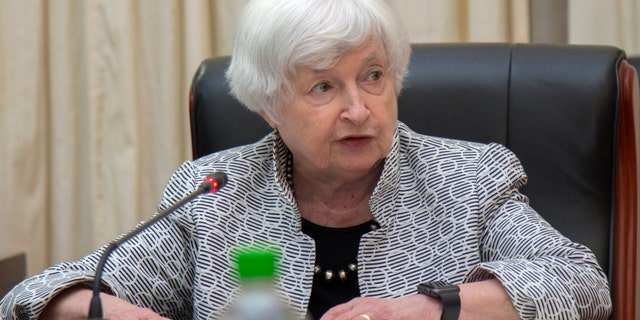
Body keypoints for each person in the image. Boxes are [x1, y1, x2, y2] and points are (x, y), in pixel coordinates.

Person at [1, 0, 612, 319]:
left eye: (373, 77)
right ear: (269, 106)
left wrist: (427, 309)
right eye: (323, 87)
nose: (359, 109)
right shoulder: (214, 196)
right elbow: (32, 296)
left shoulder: (470, 179)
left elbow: (581, 285)